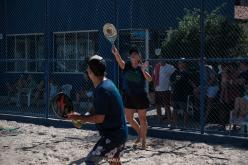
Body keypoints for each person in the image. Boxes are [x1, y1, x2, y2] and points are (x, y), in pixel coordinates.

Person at [68, 55, 128, 165]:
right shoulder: (104, 83)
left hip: (113, 137)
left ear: (91, 72)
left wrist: (81, 118)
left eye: (88, 68)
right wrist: (83, 117)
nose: (86, 70)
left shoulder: (102, 90)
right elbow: (97, 107)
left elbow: (100, 118)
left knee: (91, 161)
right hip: (120, 134)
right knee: (114, 161)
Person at [112, 47, 152, 149]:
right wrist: (116, 53)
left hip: (141, 97)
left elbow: (150, 79)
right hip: (128, 96)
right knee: (129, 118)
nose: (132, 55)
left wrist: (143, 70)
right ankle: (139, 132)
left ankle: (143, 142)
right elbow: (119, 60)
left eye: (135, 53)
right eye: (131, 54)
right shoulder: (126, 66)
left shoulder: (141, 67)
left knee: (142, 119)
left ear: (139, 57)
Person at [170, 60, 193, 128]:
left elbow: (190, 82)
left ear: (185, 64)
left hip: (183, 94)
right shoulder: (175, 72)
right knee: (174, 109)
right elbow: (172, 81)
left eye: (182, 63)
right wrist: (175, 81)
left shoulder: (187, 73)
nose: (180, 64)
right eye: (179, 63)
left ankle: (185, 125)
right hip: (176, 93)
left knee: (184, 109)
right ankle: (175, 124)